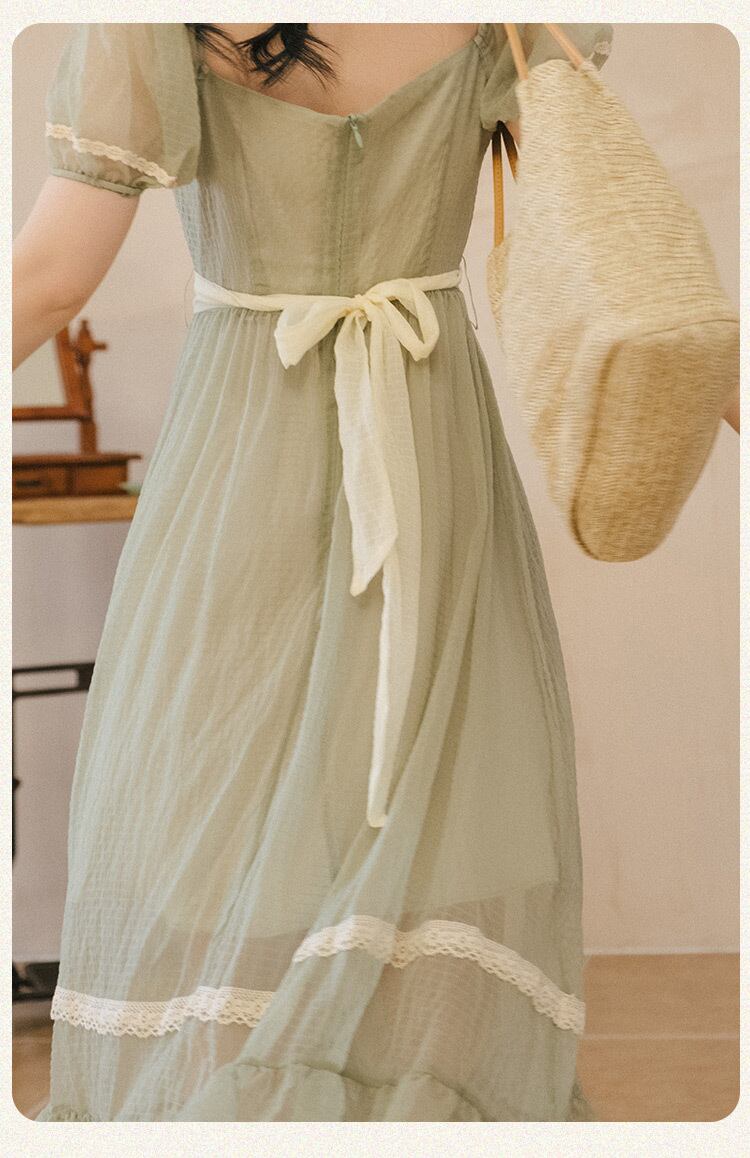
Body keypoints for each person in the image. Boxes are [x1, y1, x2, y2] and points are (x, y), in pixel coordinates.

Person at [12, 22, 737, 1123]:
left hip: (242, 461)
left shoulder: (158, 25)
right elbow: (633, 265)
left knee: (225, 815)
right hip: (429, 452)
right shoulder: (498, 19)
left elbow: (49, 280)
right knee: (417, 810)